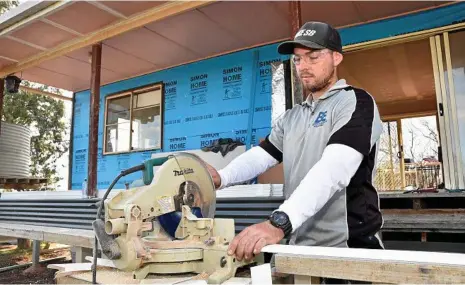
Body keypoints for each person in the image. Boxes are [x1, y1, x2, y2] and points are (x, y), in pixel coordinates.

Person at [207, 20, 384, 276]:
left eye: (313, 57)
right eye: (298, 60)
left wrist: (280, 221)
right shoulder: (292, 117)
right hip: (300, 248)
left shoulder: (355, 102)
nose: (304, 67)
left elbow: (335, 169)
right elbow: (261, 156)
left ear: (336, 57)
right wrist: (222, 177)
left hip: (348, 253)